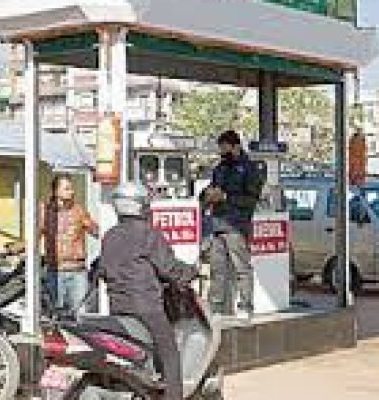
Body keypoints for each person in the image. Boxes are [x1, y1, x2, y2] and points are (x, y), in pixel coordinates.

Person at [99, 181, 198, 400]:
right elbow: (169, 269)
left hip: (118, 307)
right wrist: (192, 272)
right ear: (141, 205)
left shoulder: (110, 236)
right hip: (146, 307)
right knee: (170, 353)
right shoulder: (148, 234)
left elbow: (102, 270)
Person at [203, 130, 264, 318]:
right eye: (220, 148)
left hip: (237, 225)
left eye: (225, 147)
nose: (222, 151)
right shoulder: (219, 168)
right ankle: (217, 308)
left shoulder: (250, 169)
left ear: (236, 146)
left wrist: (226, 197)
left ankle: (245, 306)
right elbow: (209, 191)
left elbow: (252, 199)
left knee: (241, 269)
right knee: (217, 270)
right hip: (217, 225)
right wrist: (207, 195)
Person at [40, 174, 99, 312]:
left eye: (71, 188)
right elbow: (33, 237)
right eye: (67, 189)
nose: (72, 192)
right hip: (55, 271)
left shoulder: (78, 211)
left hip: (78, 271)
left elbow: (96, 231)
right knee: (56, 313)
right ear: (56, 191)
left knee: (81, 313)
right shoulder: (46, 212)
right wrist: (13, 250)